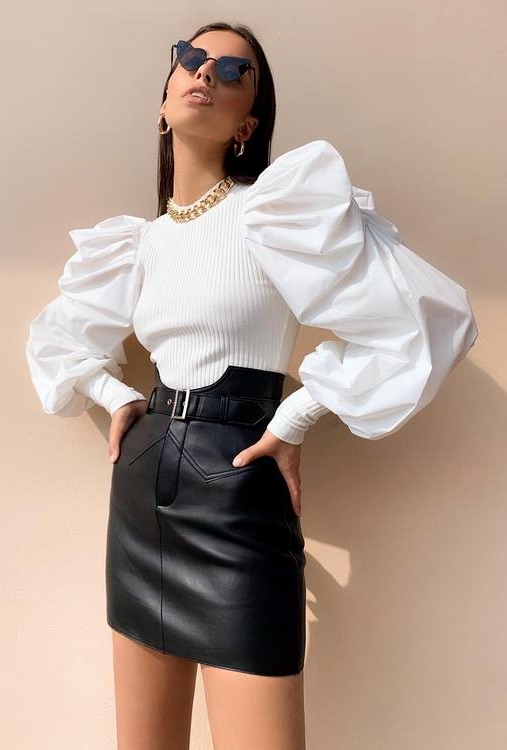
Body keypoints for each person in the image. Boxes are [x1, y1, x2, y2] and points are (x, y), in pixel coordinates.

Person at [24, 22, 478, 750]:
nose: (207, 73)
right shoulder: (138, 243)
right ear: (165, 98)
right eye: (191, 59)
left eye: (234, 71)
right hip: (141, 491)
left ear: (248, 124)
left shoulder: (277, 212)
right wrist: (116, 397)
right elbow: (60, 342)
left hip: (238, 486)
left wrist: (296, 416)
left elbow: (426, 322)